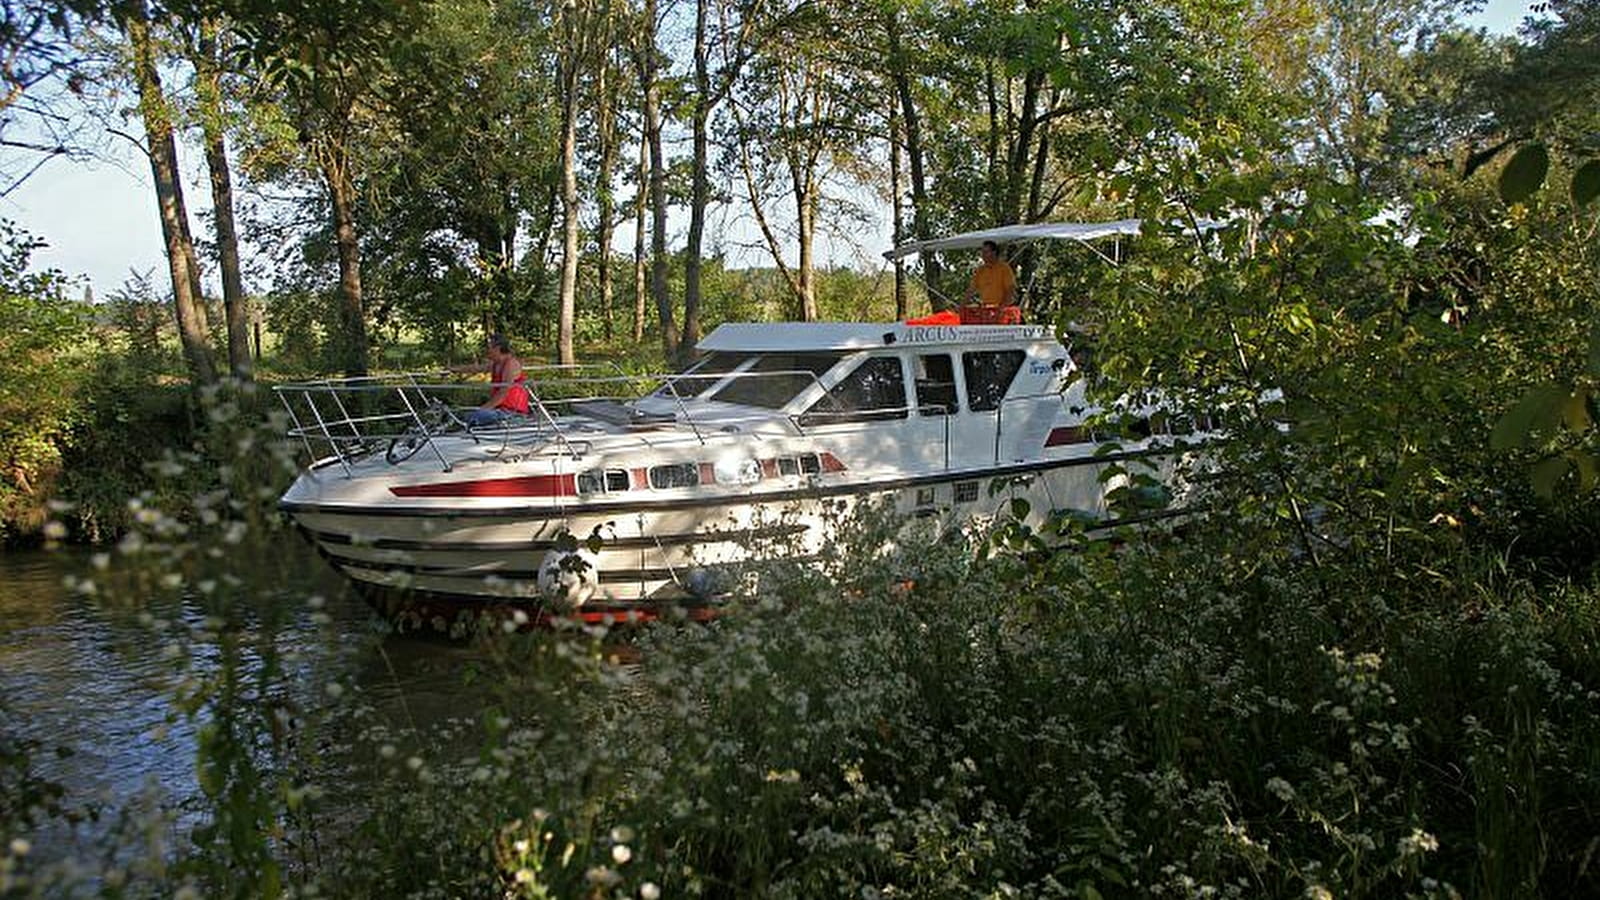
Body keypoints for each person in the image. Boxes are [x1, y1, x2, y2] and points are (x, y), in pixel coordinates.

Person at [450, 333, 531, 427]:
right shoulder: (496, 364)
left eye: (489, 347)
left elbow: (503, 393)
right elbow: (475, 368)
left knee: (473, 416)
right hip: (499, 410)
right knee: (461, 413)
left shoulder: (510, 364)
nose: (487, 351)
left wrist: (482, 409)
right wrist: (454, 369)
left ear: (497, 349)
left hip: (511, 413)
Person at [964, 239, 1017, 308]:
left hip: (1002, 309)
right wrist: (962, 305)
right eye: (982, 252)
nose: (983, 255)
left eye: (986, 252)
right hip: (986, 309)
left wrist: (1002, 307)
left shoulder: (1004, 268)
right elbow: (971, 290)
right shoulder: (980, 270)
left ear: (994, 252)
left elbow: (1010, 289)